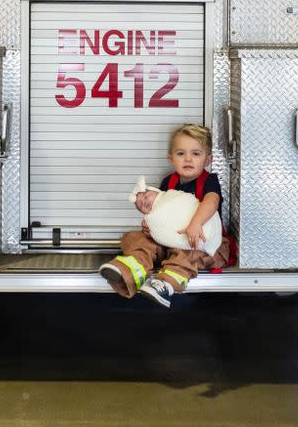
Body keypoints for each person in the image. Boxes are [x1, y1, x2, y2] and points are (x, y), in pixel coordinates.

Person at [99, 123, 230, 308]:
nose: (188, 159)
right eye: (180, 153)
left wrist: (196, 223)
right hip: (171, 242)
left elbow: (211, 202)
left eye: (196, 154)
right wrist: (150, 225)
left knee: (187, 254)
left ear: (207, 159)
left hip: (205, 245)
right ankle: (132, 269)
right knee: (134, 237)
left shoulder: (209, 181)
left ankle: (166, 284)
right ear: (171, 158)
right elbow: (158, 212)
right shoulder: (169, 182)